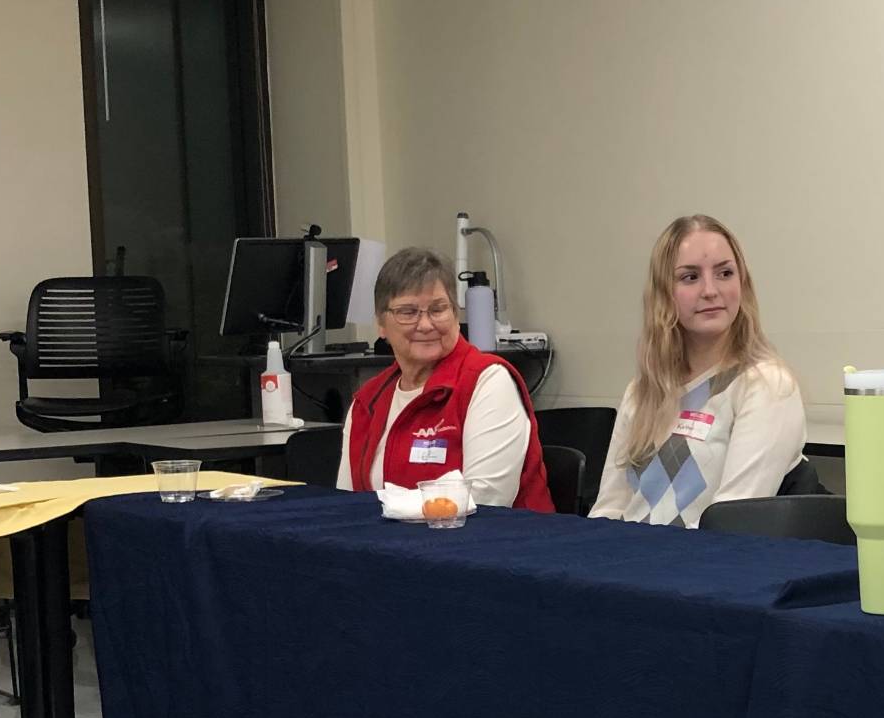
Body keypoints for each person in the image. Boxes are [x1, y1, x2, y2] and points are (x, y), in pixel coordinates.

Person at [591, 215, 806, 526]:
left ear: (742, 284)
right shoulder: (642, 390)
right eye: (690, 277)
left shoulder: (767, 385)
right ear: (664, 293)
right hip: (625, 553)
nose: (710, 290)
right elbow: (609, 508)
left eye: (725, 273)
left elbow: (732, 524)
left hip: (702, 555)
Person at [337, 247, 553, 510]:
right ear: (381, 324)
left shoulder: (488, 381)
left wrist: (390, 507)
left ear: (456, 315)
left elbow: (486, 500)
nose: (426, 325)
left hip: (490, 535)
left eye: (438, 309)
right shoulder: (367, 401)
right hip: (389, 536)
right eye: (408, 312)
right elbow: (346, 504)